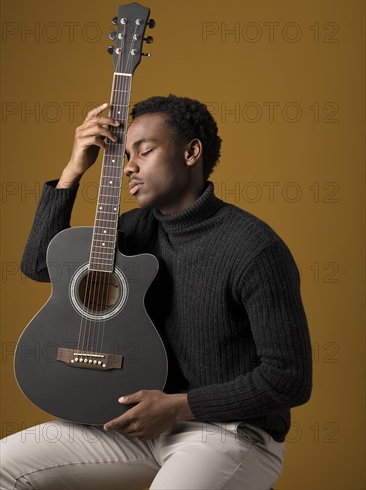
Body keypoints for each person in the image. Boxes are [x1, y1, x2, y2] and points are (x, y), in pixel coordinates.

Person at [1, 95, 312, 490]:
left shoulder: (253, 248)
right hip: (135, 426)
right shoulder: (135, 230)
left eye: (144, 151)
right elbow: (40, 266)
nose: (128, 165)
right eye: (126, 153)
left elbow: (289, 379)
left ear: (191, 152)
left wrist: (179, 406)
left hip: (226, 433)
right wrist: (72, 170)